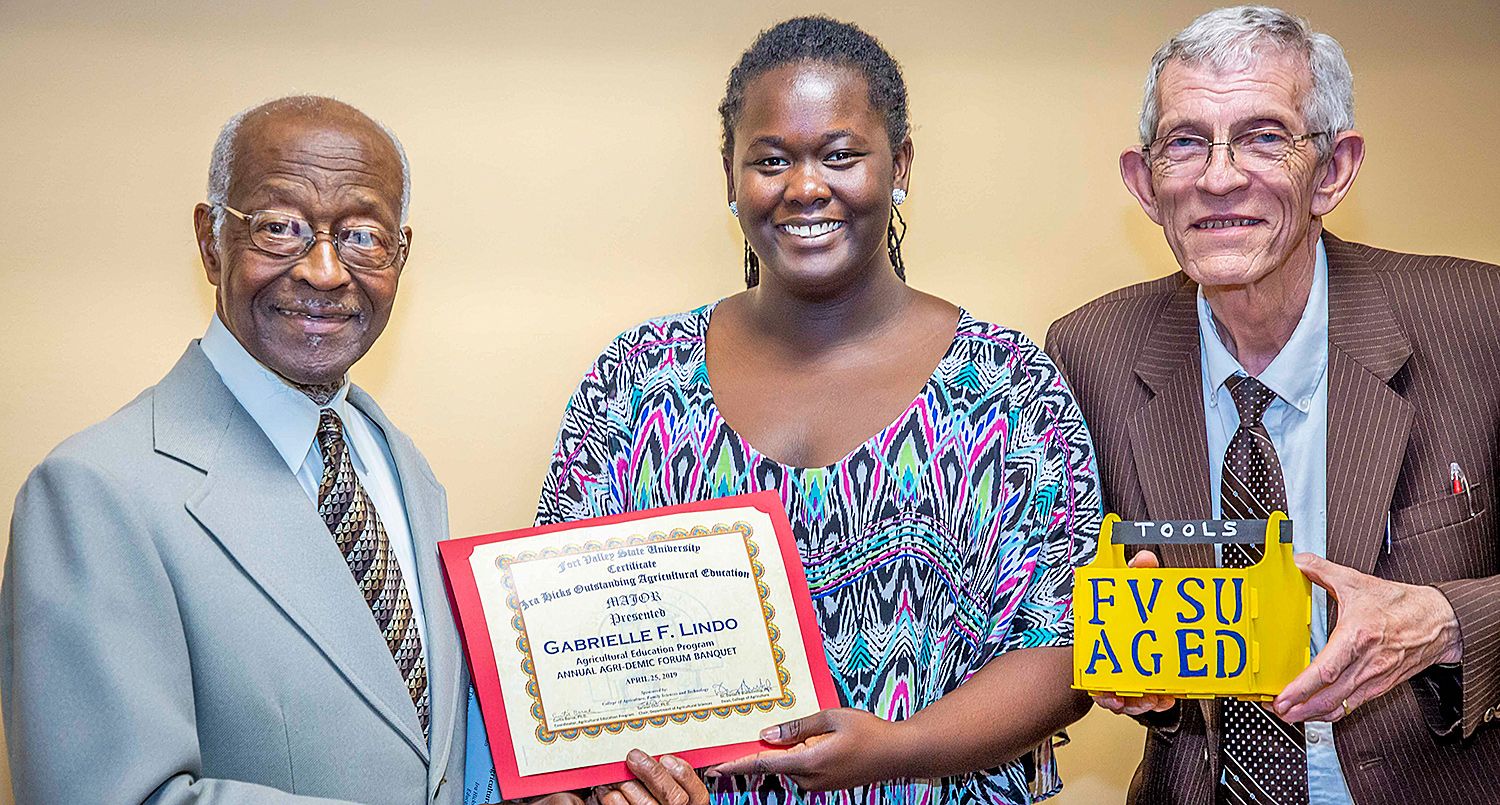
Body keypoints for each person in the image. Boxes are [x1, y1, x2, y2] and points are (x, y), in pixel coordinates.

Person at [469, 15, 1101, 803]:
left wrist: (896, 750)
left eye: (841, 155)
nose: (805, 186)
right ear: (729, 175)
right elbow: (562, 639)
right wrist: (590, 780)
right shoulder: (636, 382)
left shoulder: (1008, 388)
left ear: (900, 164)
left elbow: (1070, 644)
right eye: (771, 160)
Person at [1045, 6, 1499, 804]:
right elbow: (1085, 611)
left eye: (1263, 136)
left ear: (1333, 169)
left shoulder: (1478, 318)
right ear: (1144, 183)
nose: (1219, 177)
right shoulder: (1091, 352)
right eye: (1186, 142)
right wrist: (1136, 675)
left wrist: (1443, 620)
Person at [0, 96, 464, 802]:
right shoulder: (92, 493)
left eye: (364, 234)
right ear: (209, 239)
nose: (326, 270)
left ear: (401, 253)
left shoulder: (403, 469)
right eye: (280, 227)